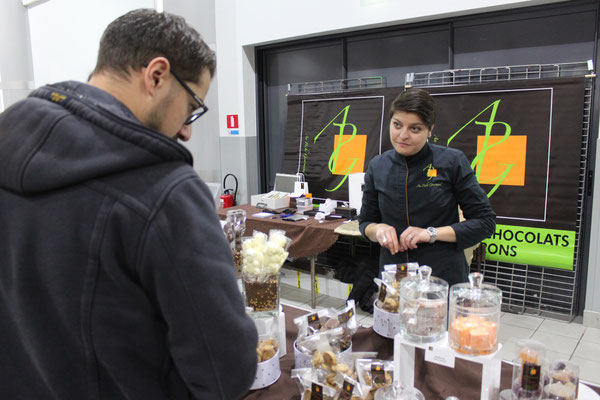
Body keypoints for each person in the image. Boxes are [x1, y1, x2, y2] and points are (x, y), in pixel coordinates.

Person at [0, 9, 258, 400]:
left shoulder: (8, 141)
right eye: (192, 107)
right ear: (156, 75)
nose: (187, 130)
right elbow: (226, 369)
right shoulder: (164, 188)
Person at [358, 88, 496, 287]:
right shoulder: (378, 165)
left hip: (440, 276)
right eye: (397, 125)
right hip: (394, 278)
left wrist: (430, 233)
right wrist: (378, 229)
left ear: (430, 129)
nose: (403, 135)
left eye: (415, 128)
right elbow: (366, 223)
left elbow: (485, 222)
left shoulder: (451, 161)